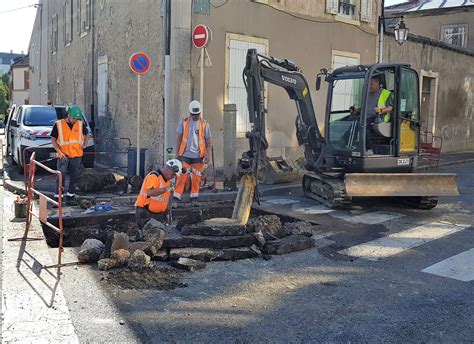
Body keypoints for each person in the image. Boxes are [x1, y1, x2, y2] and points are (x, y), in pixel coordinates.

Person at [173, 100, 212, 203]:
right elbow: (179, 139)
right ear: (190, 113)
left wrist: (208, 155)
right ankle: (176, 197)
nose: (196, 116)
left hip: (198, 156)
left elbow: (208, 142)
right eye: (194, 115)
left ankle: (194, 198)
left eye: (197, 114)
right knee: (181, 176)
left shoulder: (205, 124)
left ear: (200, 113)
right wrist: (177, 154)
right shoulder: (184, 122)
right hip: (185, 155)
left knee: (196, 178)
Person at [50, 106, 90, 204]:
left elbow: (87, 134)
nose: (75, 120)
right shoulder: (58, 124)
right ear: (69, 115)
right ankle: (57, 198)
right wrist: (58, 152)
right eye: (73, 118)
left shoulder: (80, 124)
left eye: (76, 118)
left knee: (75, 176)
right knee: (60, 176)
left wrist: (85, 143)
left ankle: (70, 196)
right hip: (63, 155)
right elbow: (53, 140)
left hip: (76, 155)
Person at [135, 159, 183, 231]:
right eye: (173, 174)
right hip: (145, 211)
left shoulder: (168, 181)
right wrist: (166, 189)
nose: (173, 177)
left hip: (158, 214)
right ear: (168, 169)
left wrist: (167, 212)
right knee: (147, 235)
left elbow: (167, 198)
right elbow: (150, 192)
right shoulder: (154, 176)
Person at [365, 76, 393, 153]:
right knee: (352, 121)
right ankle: (343, 143)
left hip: (379, 118)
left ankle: (369, 148)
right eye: (368, 84)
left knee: (363, 126)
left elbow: (391, 108)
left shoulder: (386, 93)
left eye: (371, 84)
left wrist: (380, 110)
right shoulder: (368, 94)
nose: (369, 86)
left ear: (377, 82)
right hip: (366, 117)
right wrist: (357, 110)